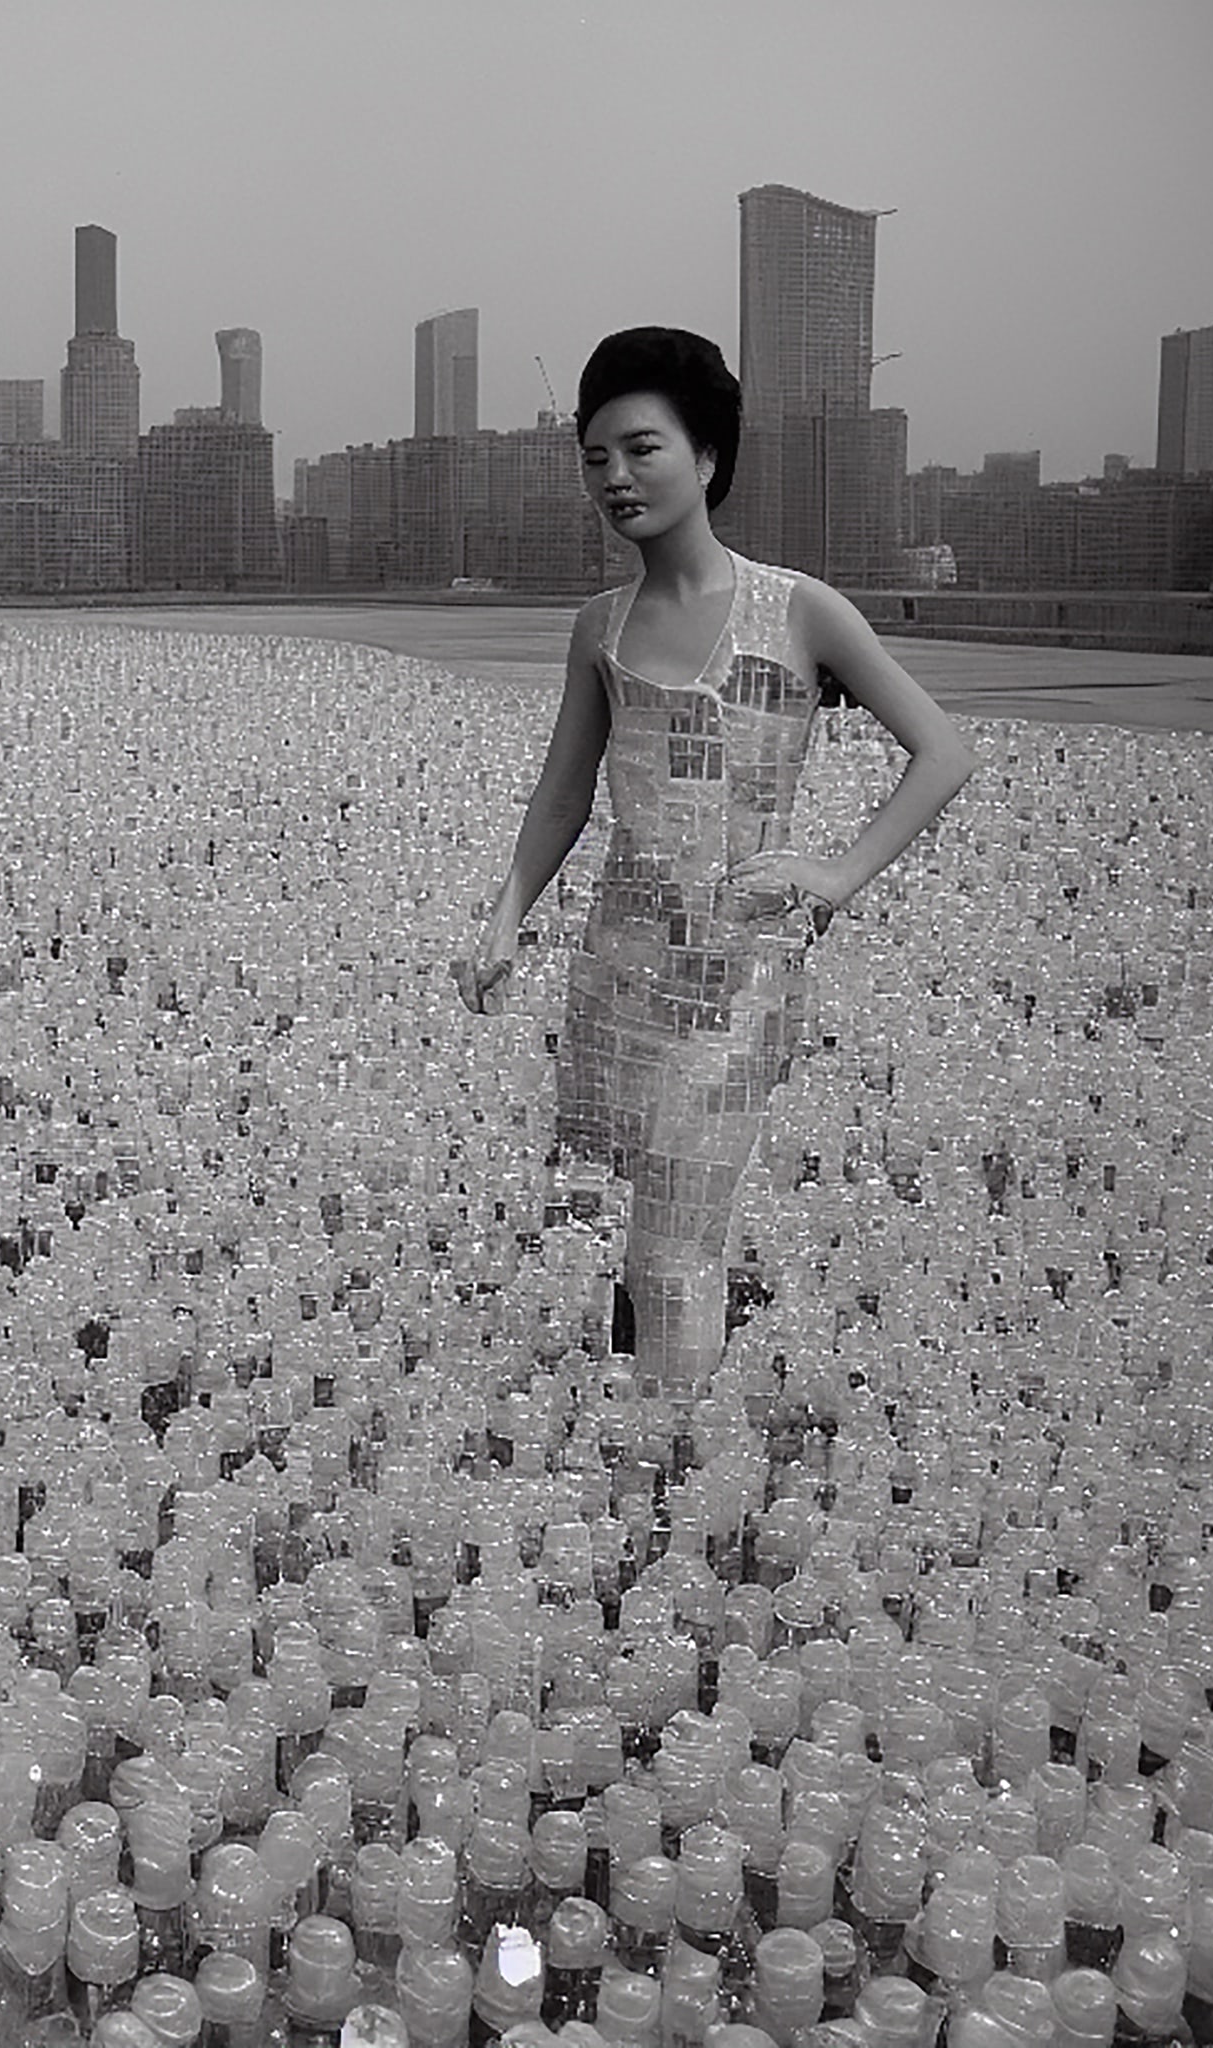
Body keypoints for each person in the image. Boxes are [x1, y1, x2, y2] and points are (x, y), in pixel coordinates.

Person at [454, 328, 977, 1392]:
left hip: (735, 978)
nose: (615, 477)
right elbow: (564, 791)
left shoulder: (796, 610)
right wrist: (504, 914)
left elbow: (943, 750)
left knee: (673, 1246)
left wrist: (833, 874)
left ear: (704, 457)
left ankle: (667, 1465)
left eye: (640, 448)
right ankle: (663, 1433)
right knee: (651, 1221)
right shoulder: (598, 626)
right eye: (594, 457)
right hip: (623, 965)